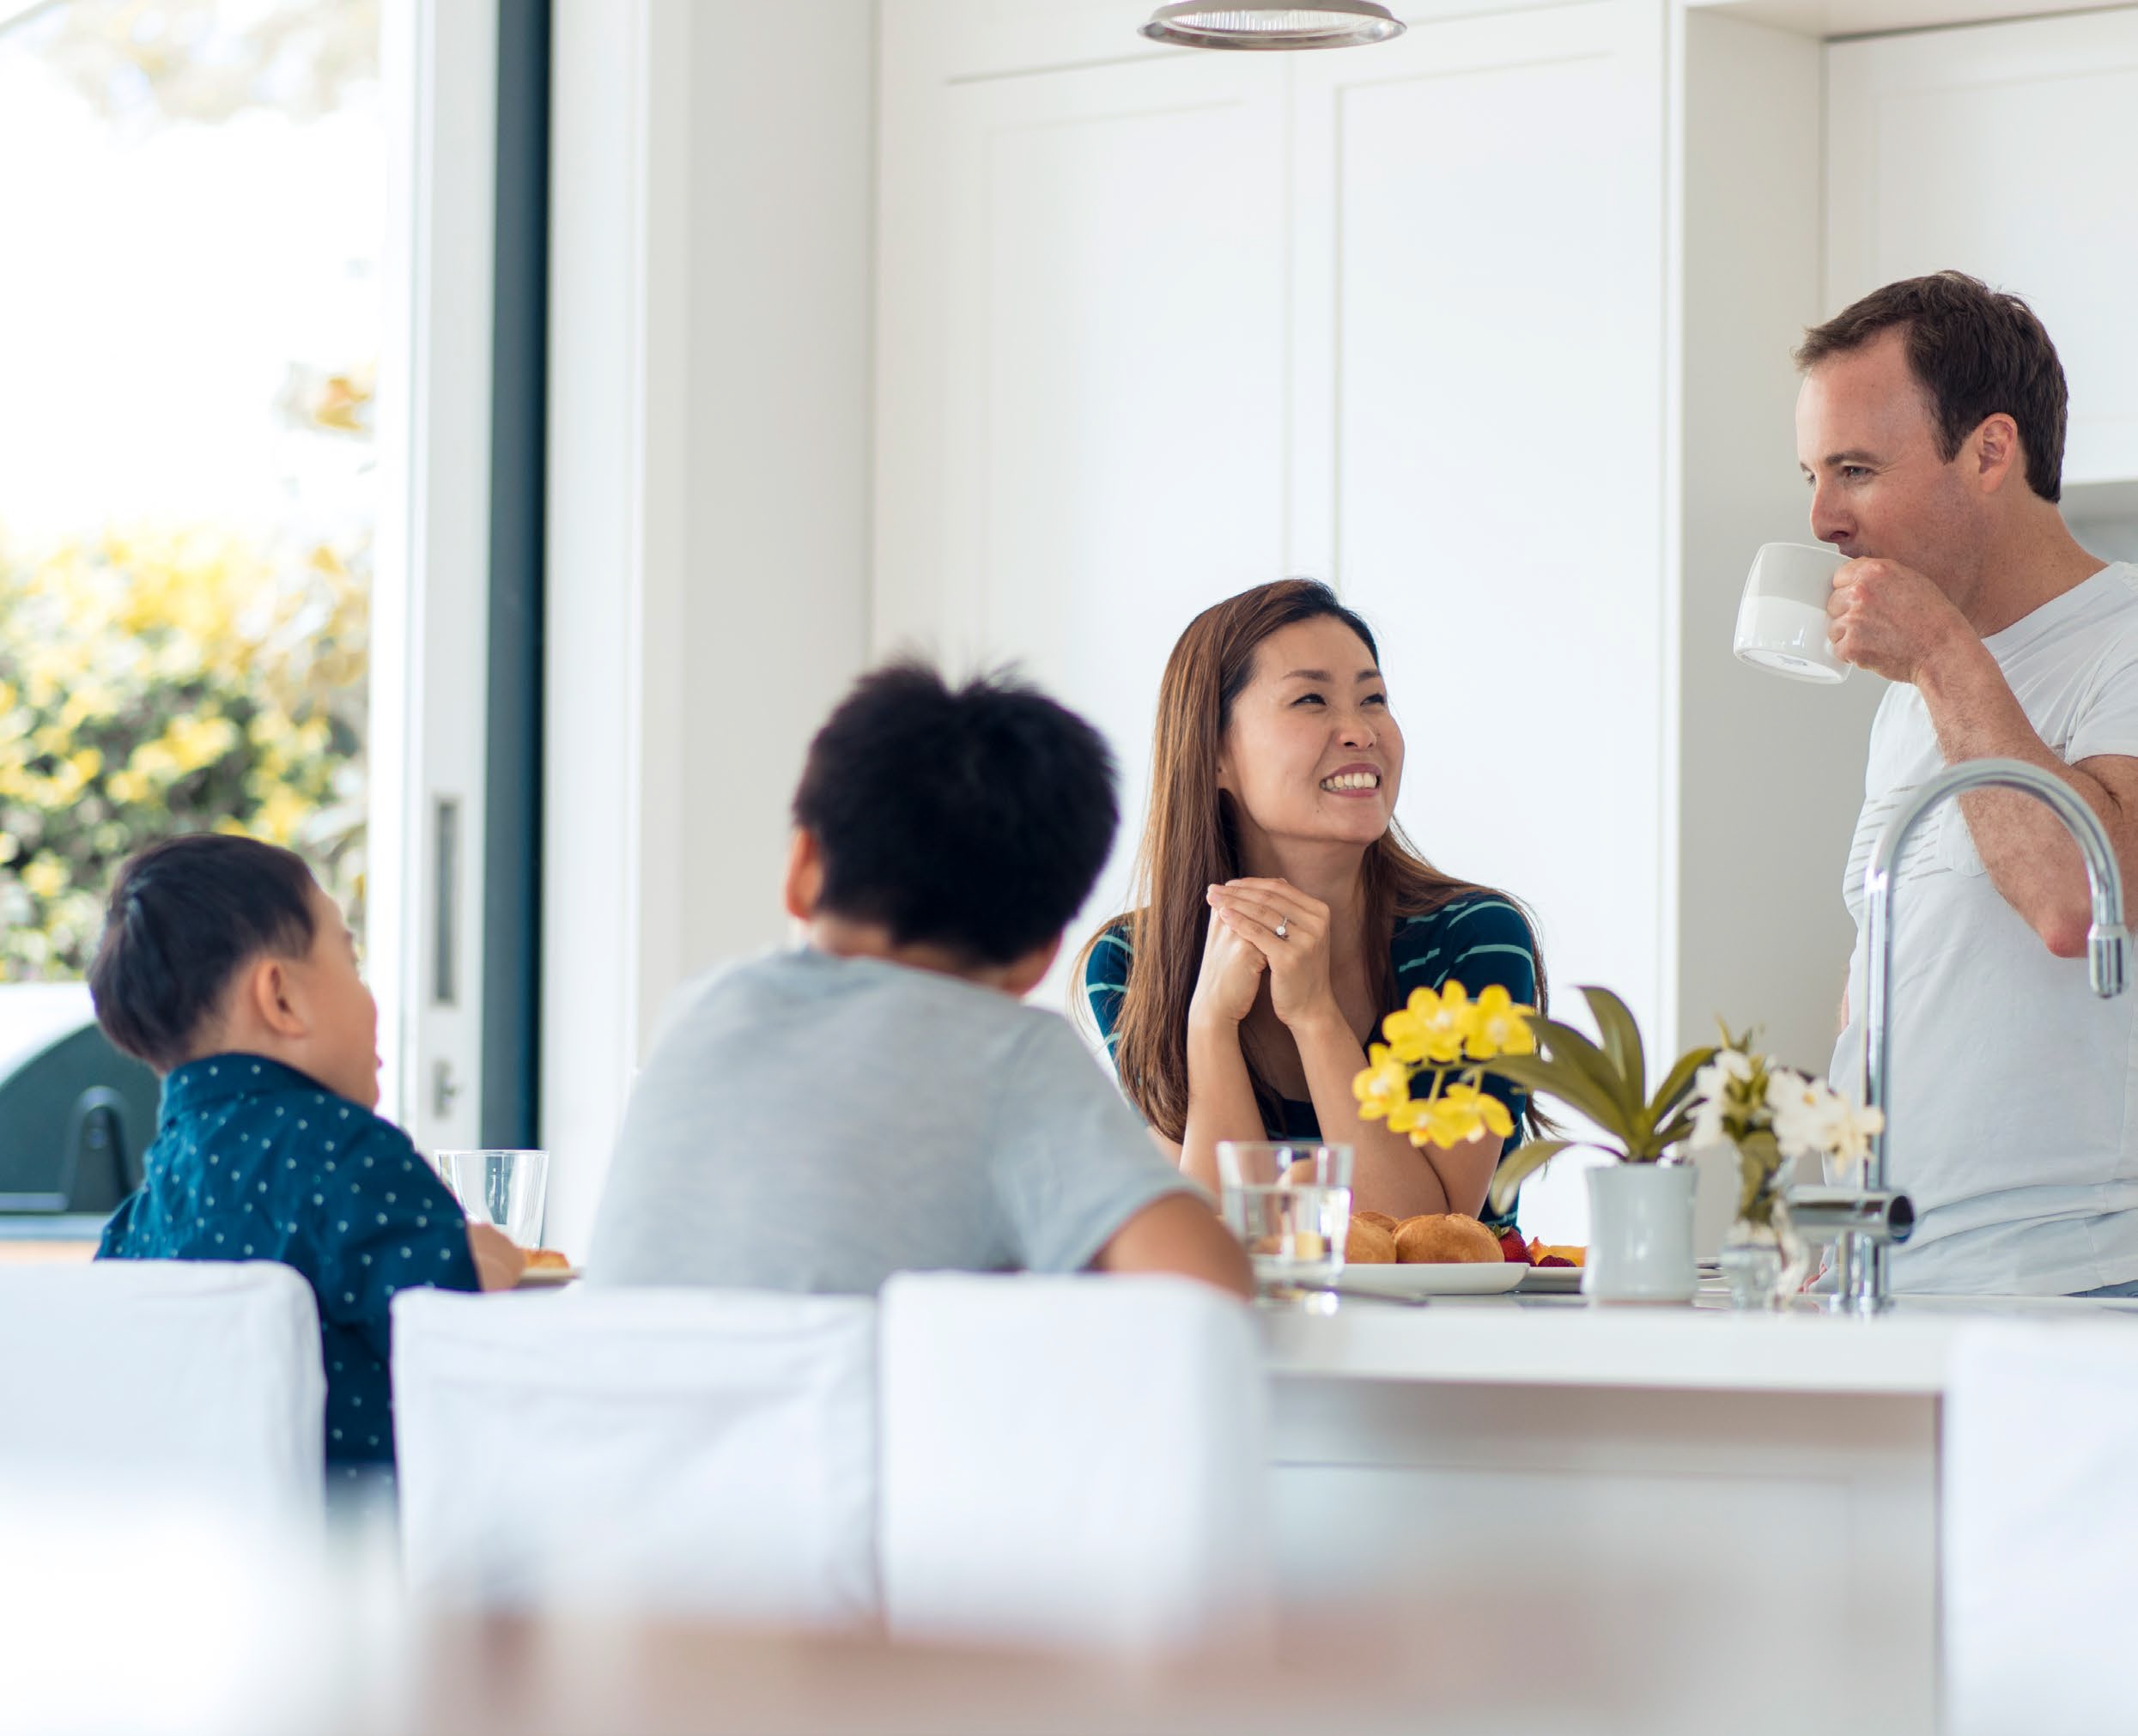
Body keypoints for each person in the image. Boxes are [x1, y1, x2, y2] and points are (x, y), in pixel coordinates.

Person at [584, 662, 1251, 1299]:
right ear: (1043, 955)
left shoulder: (699, 1009)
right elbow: (1203, 1289)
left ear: (802, 869)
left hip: (621, 1415)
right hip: (843, 1420)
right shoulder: (1011, 1055)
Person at [1798, 271, 2138, 1296]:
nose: (1821, 517)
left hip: (2076, 1287)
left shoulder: (2116, 644)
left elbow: (2079, 901)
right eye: (1810, 474)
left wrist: (1946, 655)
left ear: (1991, 450)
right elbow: (1886, 976)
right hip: (1892, 1277)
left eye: (1855, 469)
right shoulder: (1910, 697)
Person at [1081, 580, 1545, 1226]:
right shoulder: (1134, 962)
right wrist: (1210, 1025)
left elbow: (1423, 1235)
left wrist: (1315, 1017)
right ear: (1214, 751)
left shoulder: (1473, 938)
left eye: (1373, 698)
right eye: (1311, 700)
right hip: (1250, 1331)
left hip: (1448, 1328)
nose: (1359, 730)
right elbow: (1218, 1244)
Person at [91, 834, 525, 1476]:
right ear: (282, 999)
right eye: (351, 962)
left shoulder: (137, 1220)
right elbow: (457, 1331)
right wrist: (492, 1254)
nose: (369, 995)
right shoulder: (345, 1153)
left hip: (200, 1550)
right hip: (369, 1547)